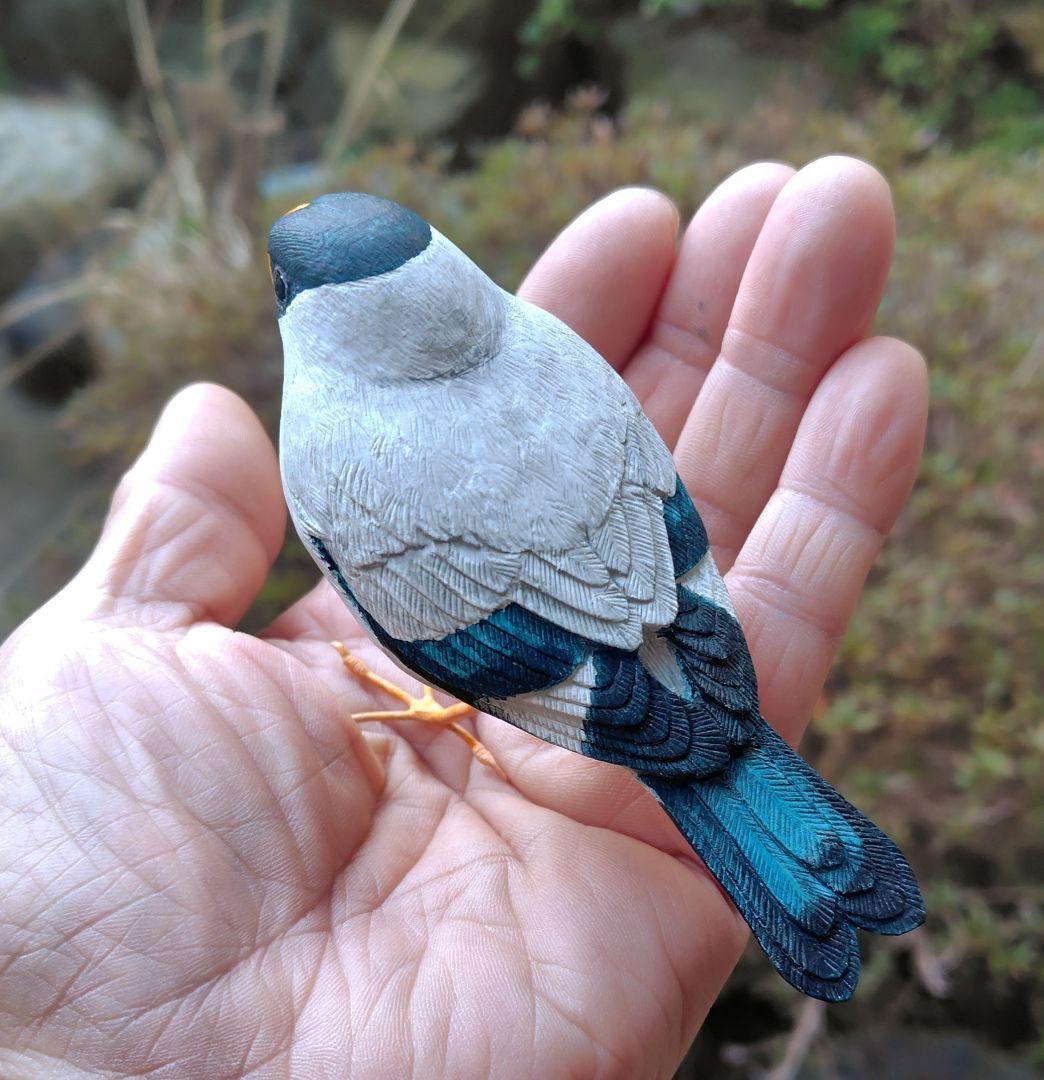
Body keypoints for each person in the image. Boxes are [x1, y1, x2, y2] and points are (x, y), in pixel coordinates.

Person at [0, 156, 927, 1078]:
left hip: (551, 661)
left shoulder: (328, 454)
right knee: (715, 743)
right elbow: (662, 519)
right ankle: (785, 822)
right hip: (667, 610)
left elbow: (446, 643)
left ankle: (749, 804)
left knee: (700, 748)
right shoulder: (553, 346)